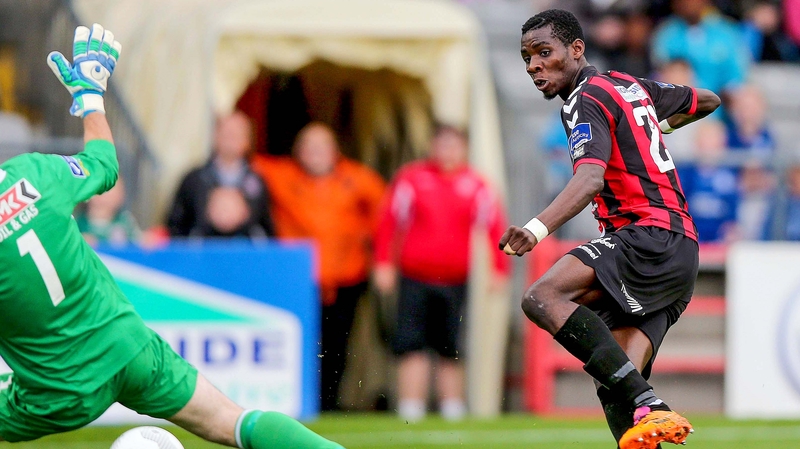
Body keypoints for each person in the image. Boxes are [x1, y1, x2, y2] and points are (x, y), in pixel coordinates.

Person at [0, 23, 343, 448]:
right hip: (129, 348)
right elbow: (104, 164)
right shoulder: (33, 172)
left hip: (60, 390)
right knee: (234, 422)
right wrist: (90, 98)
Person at [500, 10, 720, 449]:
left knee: (542, 296)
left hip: (646, 236)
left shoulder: (584, 98)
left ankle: (651, 402)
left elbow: (589, 179)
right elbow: (709, 99)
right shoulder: (630, 86)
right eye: (527, 58)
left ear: (576, 50)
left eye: (544, 53)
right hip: (681, 252)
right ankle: (644, 405)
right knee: (617, 390)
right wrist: (659, 124)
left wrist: (535, 229)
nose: (533, 66)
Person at [372, 126, 510, 422]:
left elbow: (495, 227)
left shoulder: (476, 185)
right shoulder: (412, 178)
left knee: (450, 345)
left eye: (454, 145)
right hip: (415, 277)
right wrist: (383, 263)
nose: (447, 151)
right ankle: (411, 405)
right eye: (442, 144)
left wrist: (499, 269)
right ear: (433, 145)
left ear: (464, 149)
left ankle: (451, 406)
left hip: (455, 281)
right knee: (411, 343)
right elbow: (389, 222)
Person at [252, 122, 385, 411]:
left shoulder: (358, 179)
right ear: (298, 151)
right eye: (308, 146)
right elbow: (244, 164)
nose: (315, 153)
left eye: (321, 146)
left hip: (344, 280)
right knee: (298, 344)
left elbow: (384, 215)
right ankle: (298, 402)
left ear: (335, 150)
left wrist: (374, 249)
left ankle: (329, 404)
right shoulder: (281, 175)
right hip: (298, 280)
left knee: (337, 348)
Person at [167, 111, 274, 238]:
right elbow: (174, 227)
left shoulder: (258, 182)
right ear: (215, 136)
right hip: (201, 254)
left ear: (247, 141)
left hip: (243, 255)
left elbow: (267, 231)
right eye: (226, 132)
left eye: (237, 133)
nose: (230, 137)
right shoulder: (193, 179)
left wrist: (244, 218)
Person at [651, 0, 749, 99]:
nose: (690, 3)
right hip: (683, 102)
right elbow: (659, 71)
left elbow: (738, 73)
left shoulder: (726, 31)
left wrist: (730, 92)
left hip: (723, 102)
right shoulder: (666, 33)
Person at [676, 120, 739, 243]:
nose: (710, 149)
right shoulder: (686, 174)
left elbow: (732, 213)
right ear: (697, 144)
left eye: (714, 143)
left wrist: (731, 229)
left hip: (719, 238)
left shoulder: (729, 177)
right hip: (690, 234)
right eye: (705, 142)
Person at [76, 178, 141, 246]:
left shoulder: (125, 221)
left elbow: (139, 242)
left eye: (113, 190)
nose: (105, 196)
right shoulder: (78, 222)